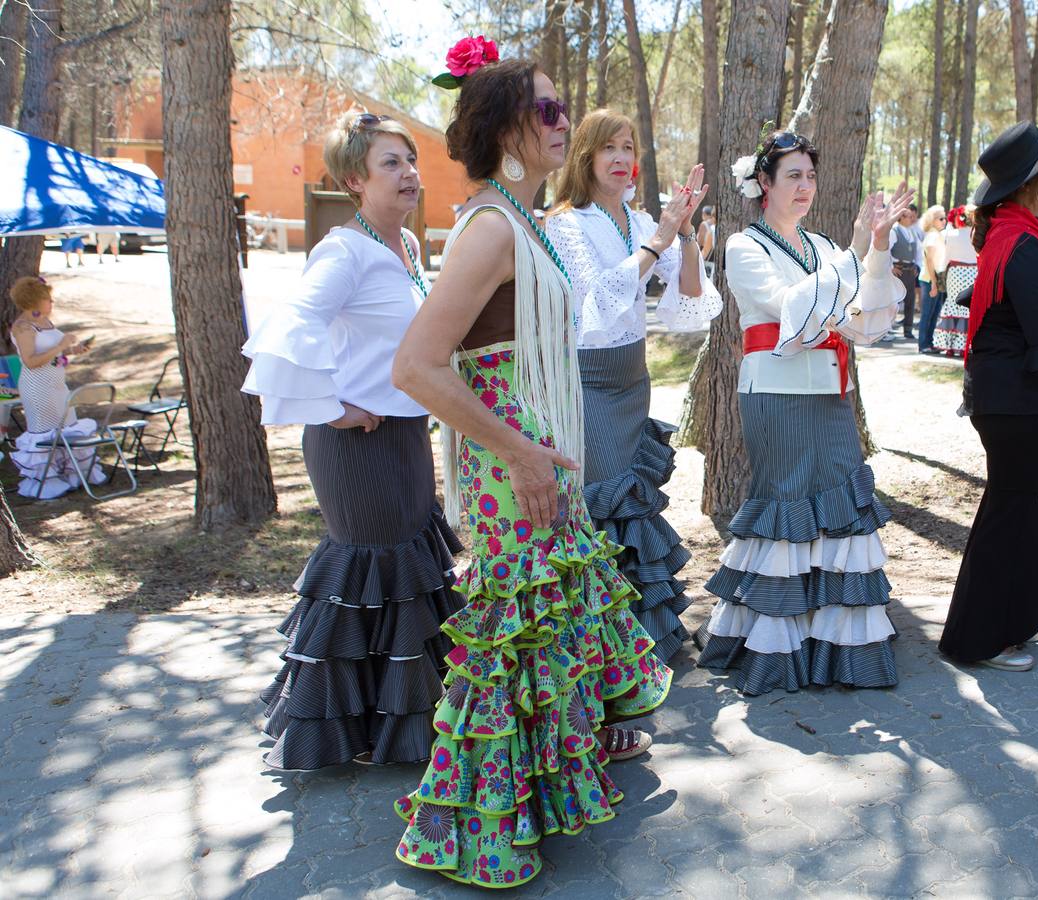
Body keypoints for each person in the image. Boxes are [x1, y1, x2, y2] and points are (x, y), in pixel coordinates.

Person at [388, 48, 671, 888]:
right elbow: (416, 367)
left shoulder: (519, 216)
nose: (562, 122)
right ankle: (477, 827)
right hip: (515, 469)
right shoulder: (488, 229)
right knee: (512, 641)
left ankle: (541, 790)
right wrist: (516, 454)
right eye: (547, 111)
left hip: (543, 458)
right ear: (506, 126)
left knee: (548, 626)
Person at [240, 111, 461, 770]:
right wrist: (327, 406)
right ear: (354, 179)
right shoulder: (344, 250)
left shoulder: (407, 249)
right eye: (390, 163)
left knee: (408, 575)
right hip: (356, 448)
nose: (409, 174)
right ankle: (348, 734)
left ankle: (398, 726)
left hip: (404, 441)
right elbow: (289, 326)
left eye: (410, 161)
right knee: (373, 572)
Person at [696, 129, 908, 695]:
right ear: (763, 183)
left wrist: (876, 247)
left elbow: (861, 316)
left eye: (810, 176)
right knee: (789, 504)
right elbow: (790, 308)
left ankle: (837, 645)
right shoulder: (745, 247)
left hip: (830, 392)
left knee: (841, 503)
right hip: (776, 392)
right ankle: (778, 650)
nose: (805, 187)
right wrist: (855, 250)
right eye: (792, 175)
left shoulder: (819, 247)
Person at [545, 109, 720, 663]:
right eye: (609, 149)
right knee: (601, 505)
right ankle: (592, 642)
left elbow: (689, 303)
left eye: (629, 147)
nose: (622, 159)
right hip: (587, 381)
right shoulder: (566, 223)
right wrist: (662, 234)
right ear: (585, 158)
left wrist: (686, 234)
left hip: (632, 376)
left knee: (631, 504)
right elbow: (595, 296)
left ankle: (635, 641)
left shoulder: (643, 220)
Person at [939, 120, 1038, 671]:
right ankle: (978, 638)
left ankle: (1008, 625)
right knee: (1008, 512)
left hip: (1014, 398)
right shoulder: (1022, 242)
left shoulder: (1020, 233)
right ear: (1033, 180)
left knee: (1011, 510)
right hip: (1015, 401)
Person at [6, 276, 105, 499]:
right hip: (37, 385)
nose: (51, 303)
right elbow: (31, 360)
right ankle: (47, 482)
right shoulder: (23, 327)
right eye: (47, 299)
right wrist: (61, 345)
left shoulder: (45, 322)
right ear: (34, 301)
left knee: (66, 426)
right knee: (44, 432)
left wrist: (72, 350)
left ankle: (72, 474)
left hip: (57, 383)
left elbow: (50, 352)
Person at [934, 206, 976, 356]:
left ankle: (949, 345)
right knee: (968, 307)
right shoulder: (975, 234)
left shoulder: (951, 235)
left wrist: (941, 269)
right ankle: (965, 345)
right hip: (972, 272)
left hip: (956, 272)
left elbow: (946, 257)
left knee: (953, 303)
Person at [887, 203, 923, 341]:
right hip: (898, 270)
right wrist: (891, 267)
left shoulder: (913, 232)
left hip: (909, 270)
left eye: (910, 216)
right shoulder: (894, 231)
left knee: (910, 301)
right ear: (900, 218)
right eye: (907, 216)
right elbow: (886, 250)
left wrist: (917, 267)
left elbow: (919, 252)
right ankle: (887, 328)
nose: (910, 219)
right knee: (893, 301)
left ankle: (908, 329)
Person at [917, 205, 947, 355]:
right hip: (930, 278)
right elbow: (929, 260)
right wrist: (934, 282)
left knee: (934, 313)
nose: (944, 221)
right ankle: (923, 344)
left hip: (936, 277)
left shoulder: (938, 234)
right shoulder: (933, 235)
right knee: (928, 313)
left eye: (944, 217)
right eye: (941, 218)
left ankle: (929, 342)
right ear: (932, 220)